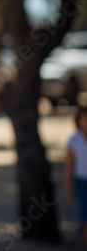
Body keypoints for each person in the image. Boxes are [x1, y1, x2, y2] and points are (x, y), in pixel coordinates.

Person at [64, 106, 87, 247]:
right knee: (85, 217)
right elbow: (68, 166)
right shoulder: (74, 140)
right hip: (81, 181)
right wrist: (68, 187)